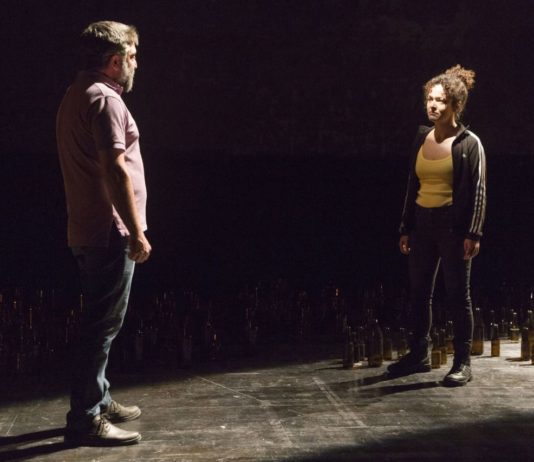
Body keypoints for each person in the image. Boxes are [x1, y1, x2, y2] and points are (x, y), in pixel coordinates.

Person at [56, 20, 152, 445]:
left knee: (101, 323)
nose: (136, 64)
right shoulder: (106, 100)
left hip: (86, 226)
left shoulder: (77, 93)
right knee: (101, 326)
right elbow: (115, 170)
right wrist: (135, 231)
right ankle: (86, 417)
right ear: (114, 62)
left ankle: (100, 396)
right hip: (108, 230)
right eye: (131, 57)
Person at [387, 65, 486, 386]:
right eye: (430, 99)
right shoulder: (421, 137)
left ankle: (462, 362)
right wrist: (406, 226)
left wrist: (473, 233)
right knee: (419, 293)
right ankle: (419, 354)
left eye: (441, 100)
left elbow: (479, 191)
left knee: (458, 296)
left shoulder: (469, 143)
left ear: (456, 105)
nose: (433, 105)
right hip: (422, 224)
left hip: (453, 227)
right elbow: (412, 185)